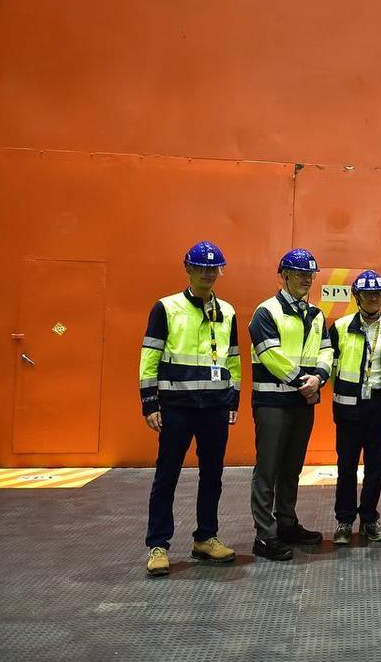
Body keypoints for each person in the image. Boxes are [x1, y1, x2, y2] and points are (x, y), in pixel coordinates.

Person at [140, 241, 240, 577]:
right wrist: (150, 403)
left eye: (214, 269)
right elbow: (149, 357)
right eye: (202, 268)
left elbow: (234, 360)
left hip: (214, 408)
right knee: (166, 476)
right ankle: (158, 545)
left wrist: (232, 399)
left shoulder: (227, 312)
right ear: (188, 269)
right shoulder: (166, 308)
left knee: (213, 476)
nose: (208, 274)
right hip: (176, 407)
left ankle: (206, 538)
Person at [248, 248, 333, 561]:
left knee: (292, 468)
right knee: (268, 469)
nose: (306, 280)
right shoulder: (266, 312)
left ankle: (286, 523)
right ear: (283, 275)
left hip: (302, 403)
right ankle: (265, 536)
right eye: (299, 274)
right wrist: (304, 381)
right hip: (273, 402)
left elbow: (327, 351)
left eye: (310, 274)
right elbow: (270, 356)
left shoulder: (316, 314)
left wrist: (320, 378)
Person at [327, 269, 381, 546]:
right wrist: (343, 394)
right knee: (346, 467)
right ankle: (344, 522)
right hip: (348, 407)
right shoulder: (341, 327)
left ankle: (369, 520)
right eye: (368, 294)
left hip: (379, 406)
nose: (373, 298)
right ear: (357, 296)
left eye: (378, 294)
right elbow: (331, 366)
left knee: (375, 468)